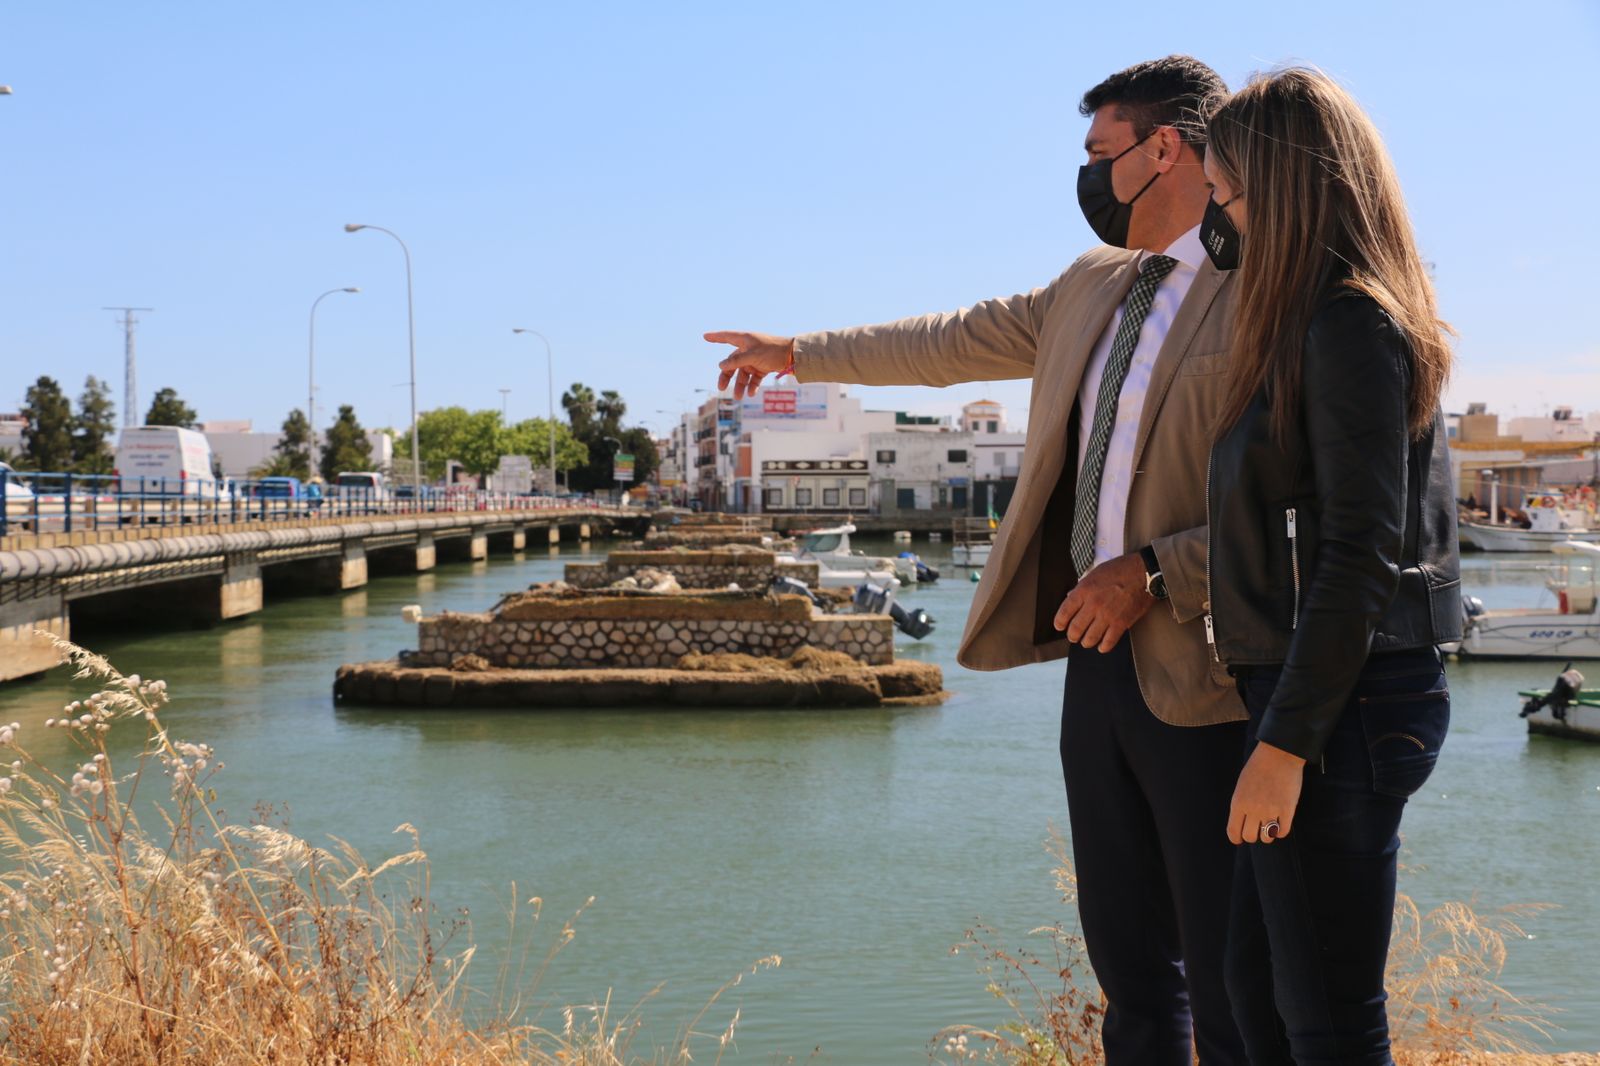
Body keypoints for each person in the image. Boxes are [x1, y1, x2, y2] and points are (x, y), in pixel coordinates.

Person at [708, 57, 1248, 1066]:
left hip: (1209, 667)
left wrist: (1153, 570)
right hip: (1094, 662)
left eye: (1100, 154)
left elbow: (1294, 504)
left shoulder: (1257, 282)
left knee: (1226, 970)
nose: (1087, 177)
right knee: (1130, 968)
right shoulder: (1090, 285)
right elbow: (946, 339)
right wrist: (798, 352)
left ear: (1163, 149)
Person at [1197, 69, 1461, 1064]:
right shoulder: (1320, 316)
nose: (1221, 219)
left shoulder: (1348, 321)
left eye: (1226, 195)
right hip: (1321, 697)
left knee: (1325, 1018)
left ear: (1286, 187)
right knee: (1259, 993)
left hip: (1336, 708)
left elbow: (1358, 552)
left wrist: (1284, 743)